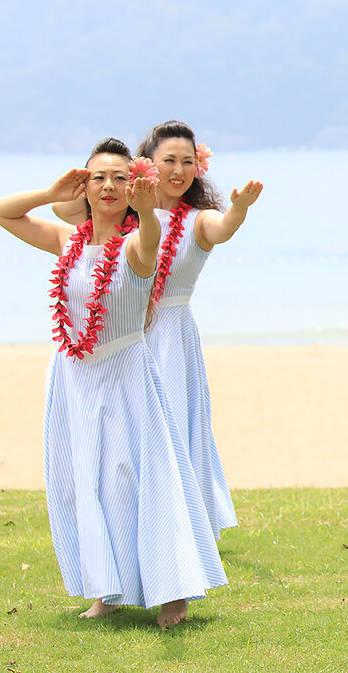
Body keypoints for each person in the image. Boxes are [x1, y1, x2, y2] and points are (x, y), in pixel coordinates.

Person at [0, 138, 227, 628]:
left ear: (134, 185)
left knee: (138, 479)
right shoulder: (65, 241)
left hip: (125, 373)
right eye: (98, 177)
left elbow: (149, 246)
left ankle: (172, 591)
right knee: (86, 482)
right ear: (86, 186)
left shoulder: (139, 245)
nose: (109, 185)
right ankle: (106, 589)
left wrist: (147, 213)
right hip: (74, 378)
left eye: (120, 177)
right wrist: (49, 192)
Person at [137, 120, 263, 537]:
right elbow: (69, 213)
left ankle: (185, 521)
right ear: (148, 163)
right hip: (128, 331)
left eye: (187, 162)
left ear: (198, 167)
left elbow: (223, 228)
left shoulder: (198, 220)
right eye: (168, 160)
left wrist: (239, 208)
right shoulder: (124, 212)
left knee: (174, 424)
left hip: (172, 334)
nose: (178, 170)